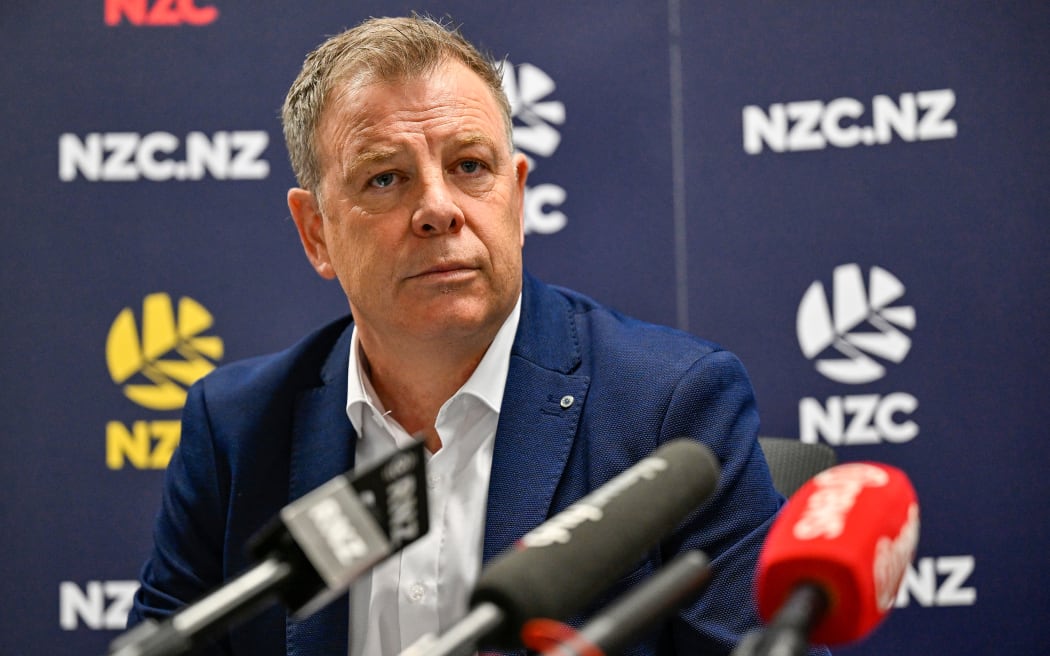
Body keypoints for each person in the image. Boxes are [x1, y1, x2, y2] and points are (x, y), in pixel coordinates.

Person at [129, 14, 825, 656]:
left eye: (469, 166)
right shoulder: (237, 431)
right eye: (385, 178)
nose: (437, 208)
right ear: (316, 232)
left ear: (516, 196)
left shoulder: (669, 408)